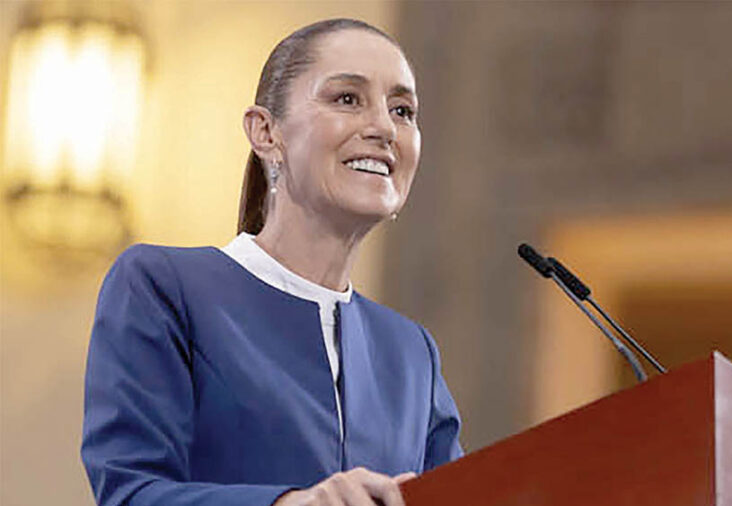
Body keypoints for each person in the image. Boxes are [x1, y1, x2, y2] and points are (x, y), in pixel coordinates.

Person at [81, 19, 462, 506]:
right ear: (265, 132)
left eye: (402, 110)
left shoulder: (411, 353)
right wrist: (293, 504)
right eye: (348, 98)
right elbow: (130, 493)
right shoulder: (163, 287)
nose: (385, 128)